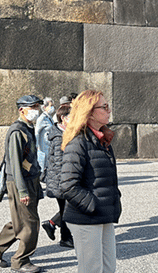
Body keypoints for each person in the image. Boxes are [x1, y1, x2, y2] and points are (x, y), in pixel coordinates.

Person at [60, 90, 121, 273]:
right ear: (90, 112)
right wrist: (92, 205)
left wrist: (113, 201)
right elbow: (68, 185)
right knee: (91, 270)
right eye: (104, 107)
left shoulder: (102, 139)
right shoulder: (78, 143)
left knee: (108, 268)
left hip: (104, 215)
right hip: (86, 218)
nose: (109, 110)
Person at [0, 95, 44, 273]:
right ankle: (20, 261)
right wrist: (22, 190)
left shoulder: (28, 128)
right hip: (21, 181)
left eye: (37, 106)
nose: (36, 110)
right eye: (32, 107)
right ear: (21, 109)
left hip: (29, 178)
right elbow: (15, 164)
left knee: (20, 220)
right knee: (30, 223)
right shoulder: (18, 131)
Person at [41, 102, 74, 248]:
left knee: (67, 208)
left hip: (63, 178)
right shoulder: (59, 137)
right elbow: (60, 162)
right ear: (63, 118)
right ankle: (65, 237)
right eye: (72, 116)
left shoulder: (64, 133)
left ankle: (54, 226)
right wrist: (67, 181)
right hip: (61, 179)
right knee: (68, 208)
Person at [35, 97, 54, 174]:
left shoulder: (50, 118)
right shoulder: (41, 118)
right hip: (43, 147)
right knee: (43, 169)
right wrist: (36, 146)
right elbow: (37, 132)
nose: (52, 108)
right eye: (50, 105)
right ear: (45, 107)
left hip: (49, 146)